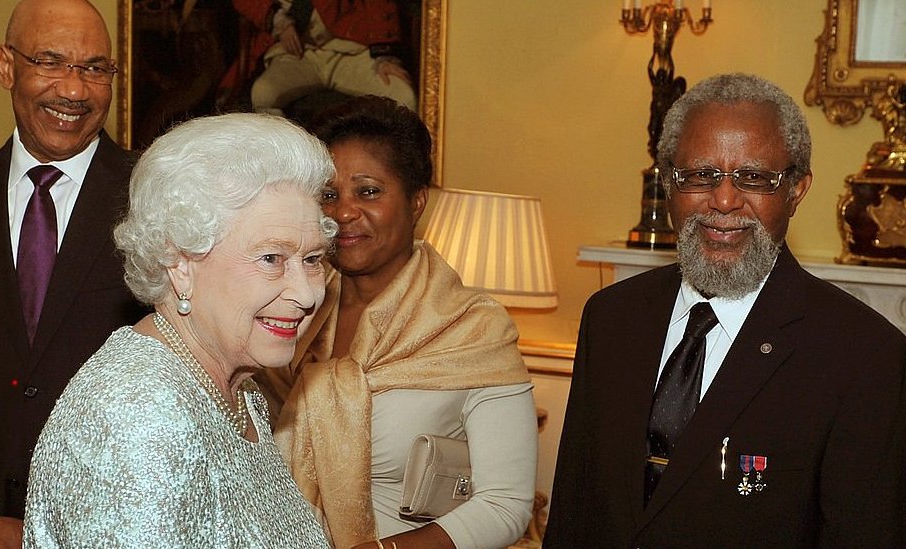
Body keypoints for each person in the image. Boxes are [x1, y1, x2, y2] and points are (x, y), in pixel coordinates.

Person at [544, 73, 906, 547]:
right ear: (669, 182)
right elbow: (574, 508)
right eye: (700, 175)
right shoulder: (611, 319)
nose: (725, 200)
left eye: (754, 178)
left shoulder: (864, 355)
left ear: (796, 190)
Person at [22, 113, 335, 548]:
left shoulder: (234, 391)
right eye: (271, 259)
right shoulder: (137, 415)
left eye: (313, 259)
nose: (305, 294)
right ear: (180, 264)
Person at [256, 95, 537, 549]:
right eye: (329, 195)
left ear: (417, 200)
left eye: (368, 191)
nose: (344, 212)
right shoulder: (286, 310)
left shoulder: (470, 328)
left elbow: (505, 503)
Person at [0, 1, 148, 547]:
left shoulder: (157, 204)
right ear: (6, 67)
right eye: (50, 62)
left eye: (95, 68)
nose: (74, 91)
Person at [232, 0, 417, 115]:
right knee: (263, 93)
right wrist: (277, 21)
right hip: (296, 54)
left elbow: (379, 5)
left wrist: (385, 56)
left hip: (350, 51)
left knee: (403, 97)